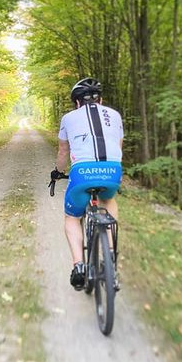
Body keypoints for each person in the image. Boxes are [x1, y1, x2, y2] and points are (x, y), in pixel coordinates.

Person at [50, 77, 124, 290]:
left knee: (72, 217)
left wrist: (58, 172)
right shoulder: (115, 116)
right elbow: (117, 148)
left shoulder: (68, 118)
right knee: (108, 199)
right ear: (100, 100)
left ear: (77, 102)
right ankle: (109, 254)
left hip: (82, 173)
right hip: (112, 170)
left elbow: (63, 151)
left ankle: (79, 266)